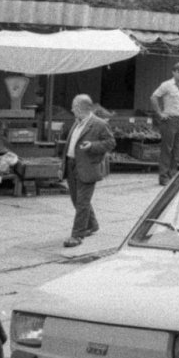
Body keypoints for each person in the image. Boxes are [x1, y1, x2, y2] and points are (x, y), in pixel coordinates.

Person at [58, 95, 116, 248]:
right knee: (77, 200)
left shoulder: (99, 124)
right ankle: (92, 225)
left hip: (88, 166)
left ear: (79, 108)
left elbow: (111, 143)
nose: (71, 109)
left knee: (82, 202)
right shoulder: (77, 122)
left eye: (73, 107)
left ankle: (77, 235)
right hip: (72, 165)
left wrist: (92, 145)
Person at [150, 62, 179, 185]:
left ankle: (173, 175)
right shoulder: (166, 85)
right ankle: (163, 177)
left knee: (176, 149)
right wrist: (160, 114)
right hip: (169, 120)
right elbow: (154, 97)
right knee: (167, 149)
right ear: (174, 72)